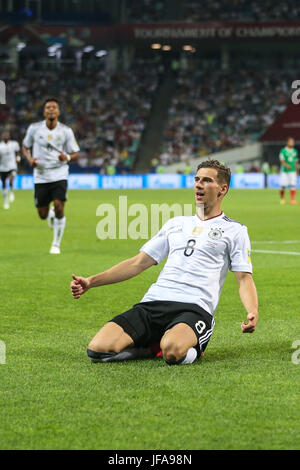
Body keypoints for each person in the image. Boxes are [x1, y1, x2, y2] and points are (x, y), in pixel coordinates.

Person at [70, 160, 258, 366]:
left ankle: (190, 346)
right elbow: (138, 263)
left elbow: (243, 278)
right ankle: (152, 346)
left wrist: (252, 312)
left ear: (222, 189)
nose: (198, 185)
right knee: (97, 350)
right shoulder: (176, 224)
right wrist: (91, 281)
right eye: (196, 179)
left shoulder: (235, 231)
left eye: (206, 180)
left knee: (172, 351)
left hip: (195, 308)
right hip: (154, 303)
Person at [22, 99, 80, 254]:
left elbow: (75, 154)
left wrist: (66, 158)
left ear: (58, 112)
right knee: (42, 214)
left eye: (54, 107)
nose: (51, 110)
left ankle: (56, 244)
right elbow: (25, 146)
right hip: (41, 175)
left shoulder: (66, 131)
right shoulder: (34, 129)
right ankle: (51, 214)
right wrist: (29, 160)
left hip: (59, 173)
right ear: (44, 112)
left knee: (60, 206)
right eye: (48, 107)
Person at [0, 131, 21, 209]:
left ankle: (11, 191)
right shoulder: (0, 146)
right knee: (4, 184)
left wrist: (18, 158)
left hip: (12, 166)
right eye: (4, 136)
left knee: (11, 178)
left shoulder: (14, 144)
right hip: (2, 167)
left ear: (9, 136)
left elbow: (17, 152)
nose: (5, 137)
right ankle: (6, 201)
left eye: (7, 135)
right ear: (2, 137)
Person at [279, 137, 299, 205]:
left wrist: (297, 170)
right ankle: (282, 199)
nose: (292, 143)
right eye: (290, 142)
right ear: (287, 142)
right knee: (283, 186)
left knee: (293, 185)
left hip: (292, 171)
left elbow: (296, 162)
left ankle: (292, 200)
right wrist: (287, 165)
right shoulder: (283, 151)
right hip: (284, 171)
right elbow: (282, 160)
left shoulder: (295, 151)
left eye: (293, 142)